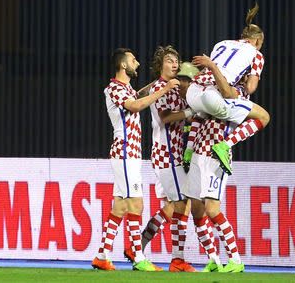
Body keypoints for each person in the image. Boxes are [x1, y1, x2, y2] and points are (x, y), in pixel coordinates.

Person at [91, 48, 177, 272]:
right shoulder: (113, 88)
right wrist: (164, 88)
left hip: (131, 154)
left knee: (120, 206)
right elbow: (135, 105)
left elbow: (137, 95)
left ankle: (102, 255)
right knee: (136, 204)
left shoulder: (126, 88)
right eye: (133, 60)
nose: (137, 63)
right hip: (125, 152)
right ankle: (139, 257)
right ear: (123, 65)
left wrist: (158, 83)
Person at [123, 46, 198, 272]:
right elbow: (166, 118)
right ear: (160, 66)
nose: (174, 63)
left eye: (176, 60)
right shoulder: (161, 88)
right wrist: (189, 113)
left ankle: (137, 248)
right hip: (167, 156)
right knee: (182, 204)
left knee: (171, 207)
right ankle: (177, 260)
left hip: (172, 154)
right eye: (169, 60)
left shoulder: (175, 87)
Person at [184, 4, 270, 175]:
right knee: (264, 117)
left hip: (193, 92)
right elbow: (251, 88)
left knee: (201, 112)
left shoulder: (222, 43)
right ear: (258, 41)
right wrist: (244, 81)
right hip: (213, 95)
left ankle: (188, 151)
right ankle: (225, 145)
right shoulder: (256, 54)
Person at [182, 113, 245, 273]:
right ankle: (214, 260)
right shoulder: (204, 92)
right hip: (197, 154)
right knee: (197, 212)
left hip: (216, 156)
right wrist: (189, 149)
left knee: (212, 210)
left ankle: (236, 260)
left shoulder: (233, 94)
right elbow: (197, 120)